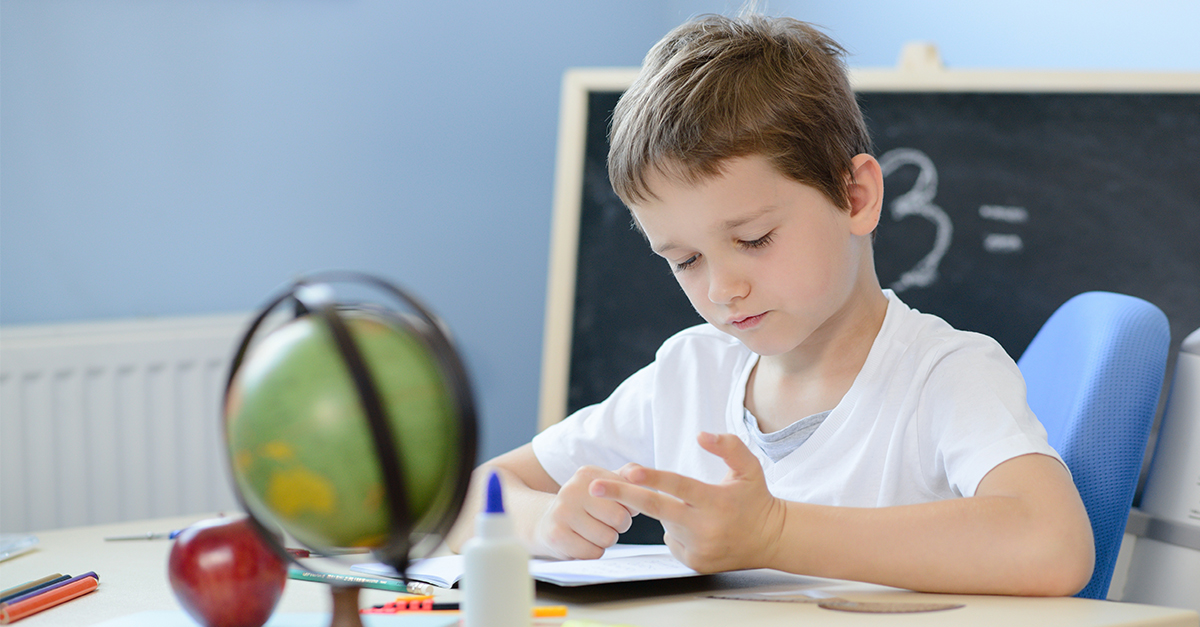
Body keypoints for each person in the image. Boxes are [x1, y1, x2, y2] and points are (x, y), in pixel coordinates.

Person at [446, 11, 1094, 596]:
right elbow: (472, 496)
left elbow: (1054, 544)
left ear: (858, 197)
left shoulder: (946, 375)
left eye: (753, 239)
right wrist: (543, 521)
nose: (722, 289)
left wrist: (776, 532)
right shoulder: (687, 376)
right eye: (685, 260)